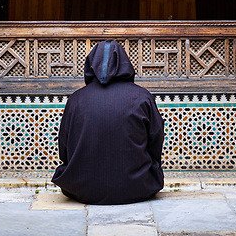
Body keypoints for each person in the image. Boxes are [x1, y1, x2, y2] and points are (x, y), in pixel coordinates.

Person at [52, 39, 164, 205]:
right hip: (137, 187)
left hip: (81, 188)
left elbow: (64, 147)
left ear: (90, 64)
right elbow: (155, 141)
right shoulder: (142, 97)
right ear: (125, 63)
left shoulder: (76, 99)